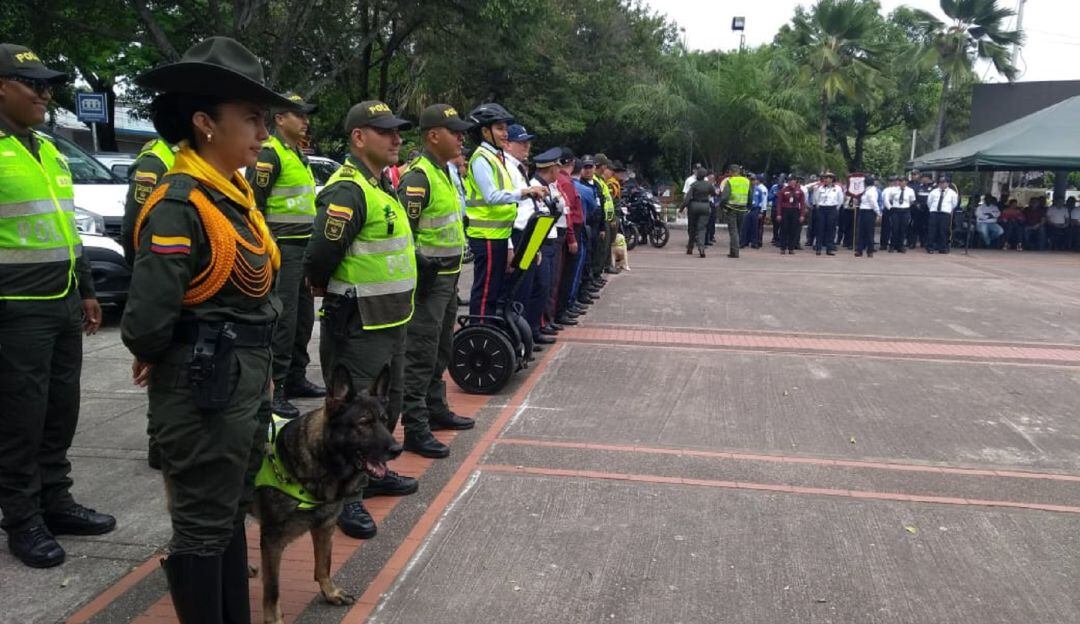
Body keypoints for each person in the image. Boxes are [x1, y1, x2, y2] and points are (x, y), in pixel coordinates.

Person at [121, 37, 294, 621]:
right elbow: (147, 323)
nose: (263, 132)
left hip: (236, 383)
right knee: (201, 525)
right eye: (251, 118)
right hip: (204, 391)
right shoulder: (181, 204)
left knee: (227, 513)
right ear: (205, 123)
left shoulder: (232, 196)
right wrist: (162, 353)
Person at [0, 43, 114, 570]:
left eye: (48, 86)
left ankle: (56, 501)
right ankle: (22, 518)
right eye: (34, 85)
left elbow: (66, 228)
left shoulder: (46, 148)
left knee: (60, 411)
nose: (45, 95)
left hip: (63, 300)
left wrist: (87, 289)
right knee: (20, 418)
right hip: (15, 309)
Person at [305, 100, 418, 540]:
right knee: (353, 414)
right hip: (359, 322)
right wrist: (324, 287)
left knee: (387, 405)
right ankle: (347, 496)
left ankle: (374, 471)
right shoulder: (348, 190)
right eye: (385, 132)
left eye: (397, 131)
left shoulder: (381, 185)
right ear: (358, 137)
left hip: (391, 317)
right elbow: (320, 255)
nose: (396, 139)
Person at [397, 105, 476, 460]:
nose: (461, 138)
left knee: (441, 349)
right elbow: (405, 234)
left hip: (448, 277)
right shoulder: (419, 177)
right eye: (454, 132)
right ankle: (415, 427)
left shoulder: (444, 172)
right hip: (429, 282)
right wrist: (421, 266)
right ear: (433, 135)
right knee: (420, 354)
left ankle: (435, 408)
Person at [247, 92, 324, 420]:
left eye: (306, 115)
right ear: (279, 119)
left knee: (303, 318)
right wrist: (266, 250)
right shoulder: (271, 154)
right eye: (298, 115)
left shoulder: (297, 154)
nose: (305, 121)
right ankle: (276, 387)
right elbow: (254, 204)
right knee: (284, 319)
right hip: (283, 249)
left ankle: (295, 376)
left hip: (303, 248)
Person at [121, 136, 178, 471]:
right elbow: (135, 225)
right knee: (161, 357)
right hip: (162, 272)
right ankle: (159, 443)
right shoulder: (155, 161)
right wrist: (146, 274)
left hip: (180, 273)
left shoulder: (187, 155)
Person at [463, 104, 546, 318]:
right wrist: (525, 192)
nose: (505, 133)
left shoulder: (496, 157)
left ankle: (488, 330)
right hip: (486, 235)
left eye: (505, 128)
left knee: (494, 291)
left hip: (499, 234)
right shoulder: (481, 158)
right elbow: (491, 196)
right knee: (485, 292)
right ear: (485, 131)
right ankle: (480, 330)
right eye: (499, 128)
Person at [554, 149, 585, 327]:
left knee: (567, 272)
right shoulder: (565, 182)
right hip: (569, 231)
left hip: (569, 230)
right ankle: (561, 310)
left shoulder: (565, 181)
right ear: (572, 163)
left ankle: (564, 307)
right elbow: (569, 214)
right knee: (565, 273)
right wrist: (572, 237)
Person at [717, 164, 750, 258]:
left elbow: (725, 197)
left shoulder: (730, 181)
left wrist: (722, 206)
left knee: (733, 231)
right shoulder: (746, 181)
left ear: (730, 172)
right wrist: (748, 206)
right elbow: (750, 195)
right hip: (742, 209)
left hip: (732, 209)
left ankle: (735, 252)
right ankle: (734, 250)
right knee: (738, 230)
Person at [681, 167, 713, 257]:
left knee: (692, 228)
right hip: (705, 206)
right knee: (702, 228)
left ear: (697, 175)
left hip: (693, 206)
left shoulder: (694, 185)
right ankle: (701, 248)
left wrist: (682, 208)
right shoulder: (708, 185)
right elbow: (714, 193)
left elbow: (687, 199)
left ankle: (690, 248)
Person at [812, 172, 842, 256]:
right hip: (822, 209)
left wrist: (835, 208)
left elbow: (840, 200)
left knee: (831, 229)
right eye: (825, 178)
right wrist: (819, 205)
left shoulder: (837, 188)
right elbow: (816, 198)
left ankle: (829, 248)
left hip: (832, 208)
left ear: (832, 179)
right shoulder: (820, 188)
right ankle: (818, 248)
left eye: (828, 178)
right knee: (820, 228)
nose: (826, 179)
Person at [925, 176, 959, 254]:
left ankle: (943, 247)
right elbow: (929, 202)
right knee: (932, 230)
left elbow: (954, 204)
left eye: (944, 182)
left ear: (948, 183)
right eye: (940, 182)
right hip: (934, 212)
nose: (942, 184)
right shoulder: (934, 192)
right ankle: (930, 247)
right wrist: (933, 209)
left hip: (945, 213)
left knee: (943, 231)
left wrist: (947, 209)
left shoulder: (952, 193)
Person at [883, 176, 915, 253]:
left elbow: (912, 201)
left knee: (903, 229)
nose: (901, 183)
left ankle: (900, 246)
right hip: (896, 210)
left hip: (905, 210)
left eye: (903, 181)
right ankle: (892, 246)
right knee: (895, 228)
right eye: (900, 181)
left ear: (906, 182)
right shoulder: (893, 190)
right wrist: (890, 207)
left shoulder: (910, 190)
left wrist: (906, 207)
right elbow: (889, 199)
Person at [776, 176, 806, 254]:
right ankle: (783, 248)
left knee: (793, 230)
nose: (792, 182)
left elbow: (802, 204)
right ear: (788, 182)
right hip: (785, 211)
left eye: (794, 181)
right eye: (790, 181)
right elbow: (779, 203)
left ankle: (791, 248)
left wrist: (802, 215)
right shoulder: (783, 191)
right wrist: (778, 214)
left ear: (796, 182)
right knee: (784, 229)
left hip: (795, 211)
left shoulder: (800, 191)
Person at [854, 176, 881, 257]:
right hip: (863, 211)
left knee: (869, 232)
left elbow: (873, 202)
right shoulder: (866, 190)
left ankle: (870, 250)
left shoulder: (872, 191)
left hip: (869, 212)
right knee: (861, 231)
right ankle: (859, 249)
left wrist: (878, 212)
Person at [741, 173, 768, 249]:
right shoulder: (745, 189)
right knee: (745, 226)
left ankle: (754, 243)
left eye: (753, 180)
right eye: (751, 180)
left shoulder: (759, 190)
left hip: (755, 209)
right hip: (747, 209)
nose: (752, 181)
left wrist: (761, 211)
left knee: (755, 227)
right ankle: (743, 242)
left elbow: (761, 201)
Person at [910, 172, 933, 248]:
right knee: (915, 226)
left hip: (928, 210)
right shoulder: (919, 186)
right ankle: (912, 243)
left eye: (923, 178)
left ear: (928, 178)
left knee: (927, 226)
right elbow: (914, 198)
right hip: (918, 209)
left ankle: (925, 242)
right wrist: (916, 204)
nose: (922, 179)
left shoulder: (934, 187)